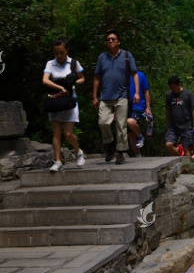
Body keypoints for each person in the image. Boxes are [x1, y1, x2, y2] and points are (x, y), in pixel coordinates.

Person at [93, 30, 140, 165]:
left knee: (121, 125)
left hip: (122, 95)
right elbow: (97, 77)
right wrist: (94, 96)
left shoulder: (126, 55)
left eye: (113, 39)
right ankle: (110, 145)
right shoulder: (102, 57)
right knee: (103, 122)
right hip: (105, 96)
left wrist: (136, 92)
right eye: (108, 39)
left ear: (118, 41)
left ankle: (120, 152)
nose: (111, 41)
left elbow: (134, 74)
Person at [42, 38, 85, 172]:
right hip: (55, 101)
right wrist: (60, 87)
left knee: (68, 133)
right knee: (56, 132)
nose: (59, 56)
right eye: (56, 53)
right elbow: (45, 80)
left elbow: (82, 78)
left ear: (67, 50)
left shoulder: (73, 63)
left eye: (61, 52)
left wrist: (73, 82)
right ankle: (57, 161)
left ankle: (78, 151)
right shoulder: (50, 64)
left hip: (69, 101)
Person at [165, 76, 194, 157]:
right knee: (168, 144)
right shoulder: (169, 95)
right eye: (171, 87)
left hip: (186, 125)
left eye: (174, 87)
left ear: (179, 84)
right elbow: (168, 110)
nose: (173, 89)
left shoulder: (187, 94)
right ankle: (180, 159)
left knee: (186, 148)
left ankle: (187, 166)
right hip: (173, 126)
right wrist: (167, 124)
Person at [127, 68, 152, 157]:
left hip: (138, 105)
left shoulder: (140, 75)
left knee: (130, 122)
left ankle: (140, 136)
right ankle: (138, 155)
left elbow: (146, 92)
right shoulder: (122, 75)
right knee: (129, 133)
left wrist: (148, 108)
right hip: (125, 106)